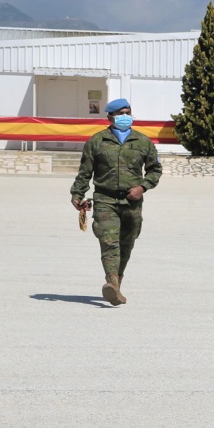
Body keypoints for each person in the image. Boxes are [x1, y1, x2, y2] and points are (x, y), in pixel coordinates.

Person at [69, 96, 163, 305]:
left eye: (128, 112)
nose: (125, 117)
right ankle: (111, 282)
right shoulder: (96, 141)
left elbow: (155, 170)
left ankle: (117, 282)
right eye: (120, 113)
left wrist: (142, 187)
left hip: (132, 202)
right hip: (105, 199)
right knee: (108, 241)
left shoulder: (143, 141)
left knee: (126, 243)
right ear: (110, 117)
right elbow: (85, 172)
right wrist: (77, 195)